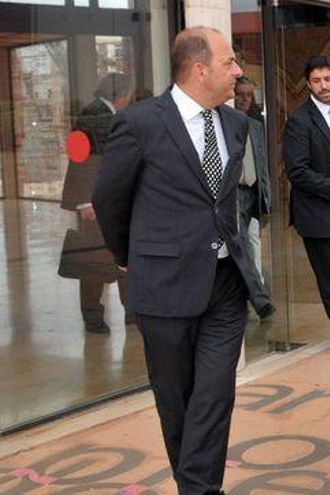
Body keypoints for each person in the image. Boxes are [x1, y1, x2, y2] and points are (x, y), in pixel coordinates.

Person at [92, 27, 274, 495]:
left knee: (214, 398)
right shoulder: (140, 124)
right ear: (199, 70)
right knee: (177, 406)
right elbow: (109, 200)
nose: (238, 72)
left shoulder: (235, 124)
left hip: (225, 284)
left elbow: (227, 202)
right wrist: (129, 257)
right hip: (164, 286)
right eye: (229, 62)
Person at [284, 55, 330, 353]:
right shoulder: (299, 122)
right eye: (316, 81)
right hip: (318, 216)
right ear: (308, 84)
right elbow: (297, 171)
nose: (323, 86)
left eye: (327, 79)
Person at [59, 73, 133, 333]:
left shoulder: (99, 112)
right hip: (96, 203)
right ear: (121, 94)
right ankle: (95, 316)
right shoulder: (97, 115)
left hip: (104, 201)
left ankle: (126, 312)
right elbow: (82, 158)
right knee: (93, 260)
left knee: (113, 256)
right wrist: (84, 202)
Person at [234, 77, 270, 285]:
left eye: (248, 95)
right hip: (236, 191)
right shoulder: (227, 124)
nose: (244, 99)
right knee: (240, 240)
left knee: (254, 237)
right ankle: (248, 285)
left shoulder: (255, 126)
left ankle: (258, 286)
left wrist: (266, 193)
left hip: (253, 190)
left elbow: (262, 161)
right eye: (240, 94)